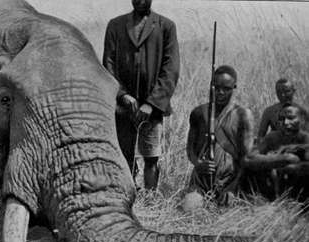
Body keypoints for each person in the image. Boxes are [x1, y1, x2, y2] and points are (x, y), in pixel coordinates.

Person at [102, 0, 180, 190]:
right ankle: (125, 194)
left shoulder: (166, 26)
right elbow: (108, 64)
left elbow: (170, 69)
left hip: (152, 107)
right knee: (122, 153)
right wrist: (122, 95)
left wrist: (151, 104)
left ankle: (151, 198)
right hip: (123, 106)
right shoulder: (115, 25)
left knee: (151, 155)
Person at [186, 65, 255, 204]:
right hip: (201, 181)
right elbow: (190, 149)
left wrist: (233, 186)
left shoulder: (243, 115)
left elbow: (246, 159)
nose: (220, 92)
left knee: (230, 212)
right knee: (189, 210)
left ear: (234, 87)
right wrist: (198, 164)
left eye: (226, 89)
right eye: (216, 88)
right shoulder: (199, 113)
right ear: (211, 86)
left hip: (230, 180)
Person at [245, 103, 309, 201]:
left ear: (302, 120)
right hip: (272, 191)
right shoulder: (272, 137)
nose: (286, 123)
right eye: (282, 119)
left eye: (291, 118)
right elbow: (250, 157)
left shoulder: (306, 139)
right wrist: (279, 158)